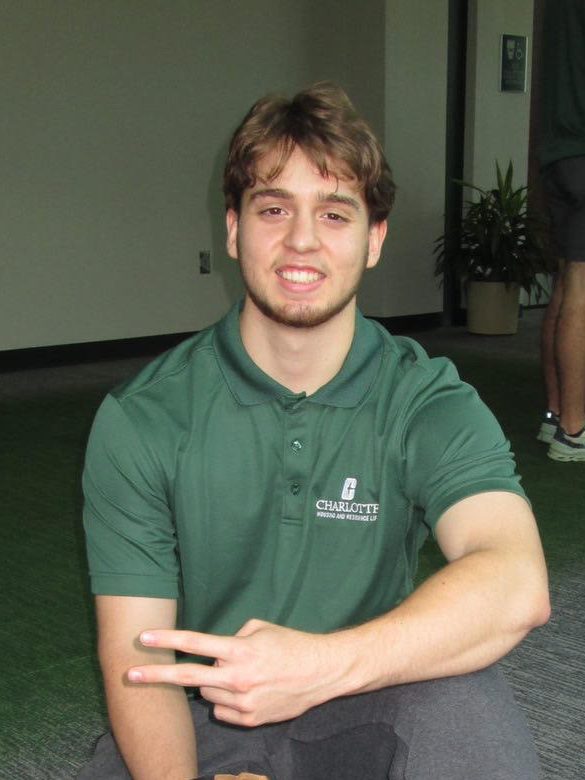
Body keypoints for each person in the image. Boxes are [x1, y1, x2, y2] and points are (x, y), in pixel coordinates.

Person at [80, 82, 550, 780]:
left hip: (365, 696)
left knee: (466, 707)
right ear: (233, 229)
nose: (301, 239)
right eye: (273, 208)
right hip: (204, 714)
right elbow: (136, 658)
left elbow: (515, 580)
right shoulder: (145, 418)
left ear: (373, 239)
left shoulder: (425, 401)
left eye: (334, 213)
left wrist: (320, 666)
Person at [537, 0, 585, 461]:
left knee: (566, 285)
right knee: (581, 289)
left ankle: (556, 416)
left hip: (559, 155)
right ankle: (575, 430)